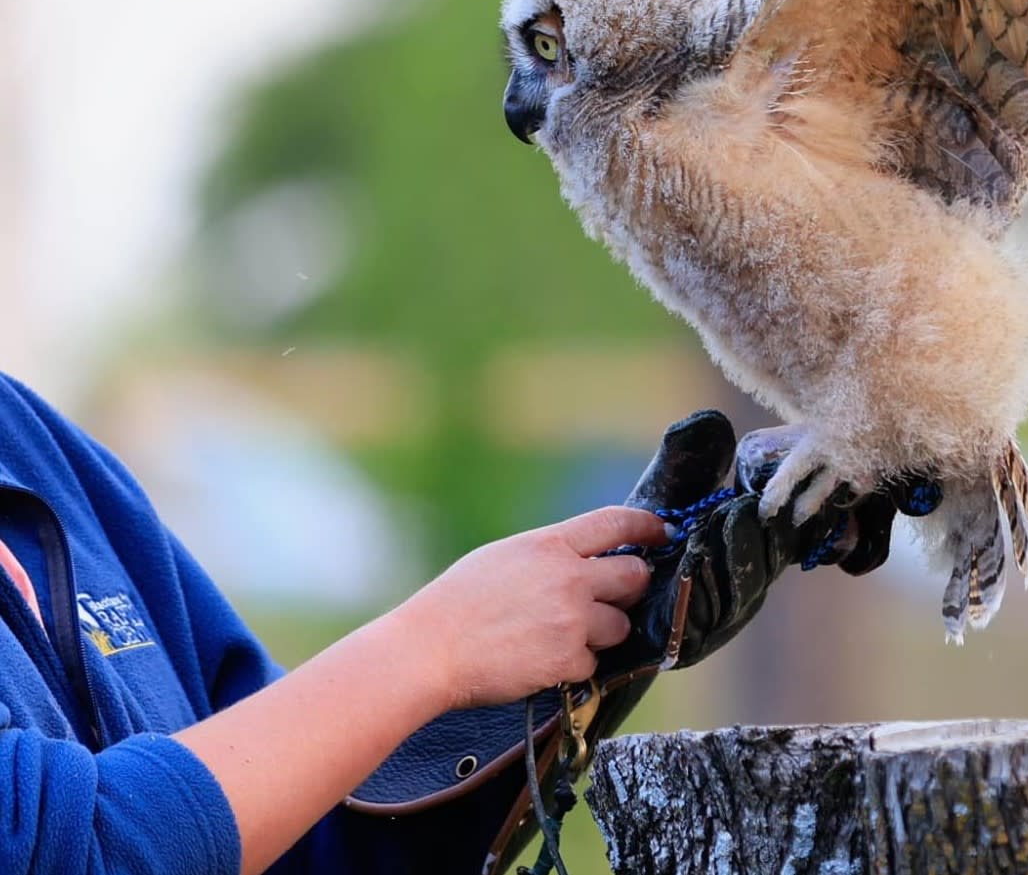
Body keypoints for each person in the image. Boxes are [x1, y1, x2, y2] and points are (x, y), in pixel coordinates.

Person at [0, 370, 903, 873]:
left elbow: (290, 835)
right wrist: (437, 644)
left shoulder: (25, 439)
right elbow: (83, 854)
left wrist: (586, 646)